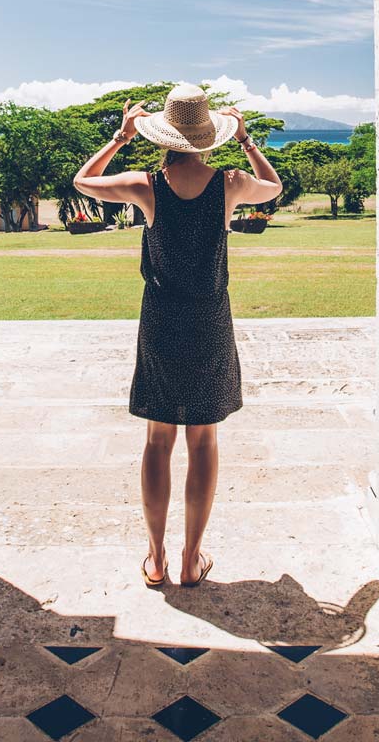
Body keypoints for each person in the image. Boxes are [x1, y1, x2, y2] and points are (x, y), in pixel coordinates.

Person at [72, 83, 283, 588]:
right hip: (210, 319)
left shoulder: (147, 186)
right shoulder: (229, 183)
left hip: (162, 322)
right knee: (204, 438)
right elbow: (272, 188)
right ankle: (191, 559)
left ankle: (157, 558)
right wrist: (250, 143)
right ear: (210, 137)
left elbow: (84, 181)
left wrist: (121, 138)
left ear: (163, 136)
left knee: (157, 438)